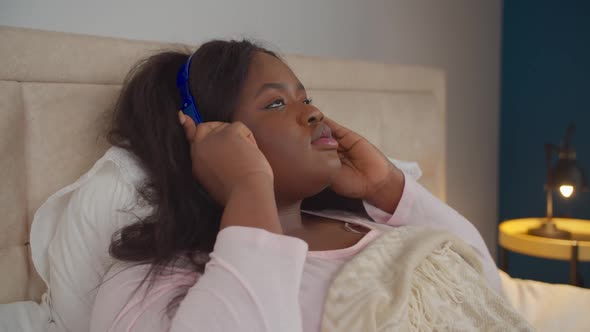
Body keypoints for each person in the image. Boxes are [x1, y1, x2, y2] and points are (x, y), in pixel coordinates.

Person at [89, 40, 501, 332]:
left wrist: (387, 185)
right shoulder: (152, 284)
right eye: (275, 103)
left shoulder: (361, 223)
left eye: (305, 98)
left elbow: (485, 295)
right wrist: (248, 190)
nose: (313, 113)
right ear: (212, 138)